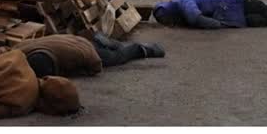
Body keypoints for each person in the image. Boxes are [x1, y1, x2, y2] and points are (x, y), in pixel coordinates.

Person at [12, 33, 165, 78]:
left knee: (115, 58)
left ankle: (144, 49)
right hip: (72, 39)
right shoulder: (20, 50)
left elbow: (95, 65)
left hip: (84, 48)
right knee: (103, 49)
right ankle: (103, 41)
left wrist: (85, 72)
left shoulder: (74, 55)